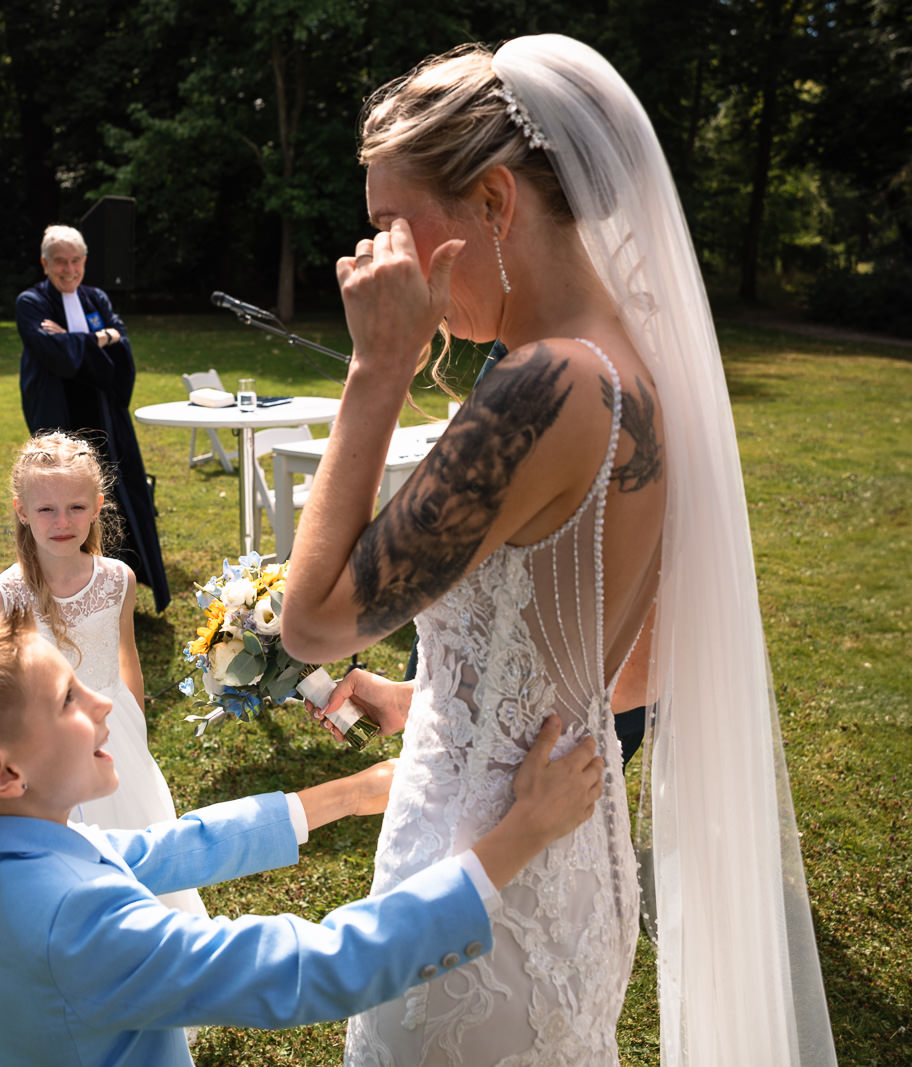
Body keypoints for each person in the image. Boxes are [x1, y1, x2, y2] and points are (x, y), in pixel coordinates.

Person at [279, 35, 834, 1066]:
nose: (379, 262)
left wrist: (379, 365)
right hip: (572, 860)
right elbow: (630, 648)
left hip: (466, 896)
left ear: (494, 203)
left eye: (394, 226)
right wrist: (453, 694)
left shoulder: (544, 385)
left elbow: (309, 623)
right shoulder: (640, 366)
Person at [0, 613, 604, 1067]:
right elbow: (300, 969)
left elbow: (170, 848)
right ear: (4, 771)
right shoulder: (77, 923)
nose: (103, 701)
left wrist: (348, 794)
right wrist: (518, 837)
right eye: (70, 698)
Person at [0, 432, 202, 911]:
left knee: (137, 866)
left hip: (110, 733)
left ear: (99, 505)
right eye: (46, 510)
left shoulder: (118, 579)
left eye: (76, 507)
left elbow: (127, 658)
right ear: (21, 510)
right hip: (38, 748)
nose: (62, 522)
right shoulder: (1, 597)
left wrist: (135, 731)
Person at [16, 224, 169, 611]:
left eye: (75, 261)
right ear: (45, 264)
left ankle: (120, 586)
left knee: (118, 496)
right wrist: (100, 339)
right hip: (58, 418)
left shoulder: (95, 297)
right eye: (60, 262)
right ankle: (64, 593)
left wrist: (73, 337)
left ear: (85, 261)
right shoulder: (30, 302)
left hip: (106, 418)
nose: (69, 270)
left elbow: (122, 348)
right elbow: (57, 358)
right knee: (63, 504)